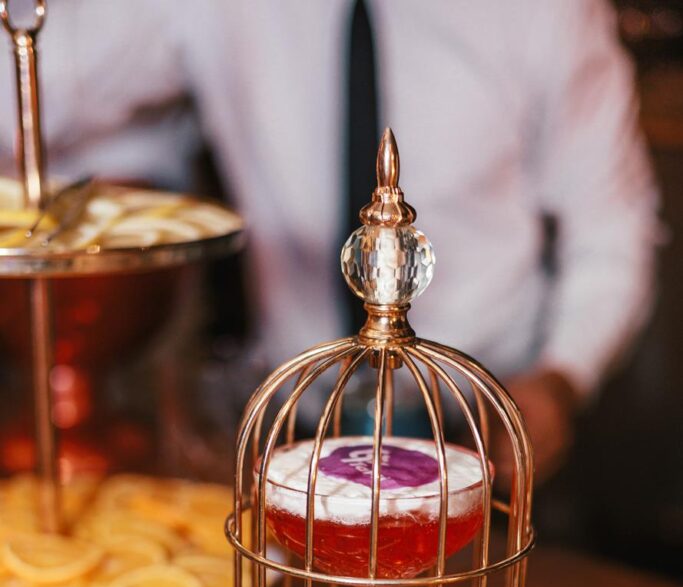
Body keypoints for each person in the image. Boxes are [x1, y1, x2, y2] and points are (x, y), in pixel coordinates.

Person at [0, 0, 658, 482]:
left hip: (479, 426)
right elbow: (38, 95)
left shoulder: (542, 11)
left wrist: (561, 376)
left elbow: (610, 221)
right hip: (292, 425)